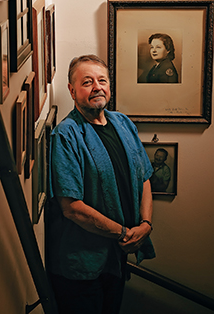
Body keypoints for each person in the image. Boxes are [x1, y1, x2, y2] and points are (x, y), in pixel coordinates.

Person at [46, 55, 155, 314]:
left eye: (101, 80)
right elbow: (71, 207)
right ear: (72, 91)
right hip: (81, 265)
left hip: (118, 257)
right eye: (87, 82)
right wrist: (124, 233)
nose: (97, 87)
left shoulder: (122, 123)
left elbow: (144, 177)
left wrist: (146, 224)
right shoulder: (67, 134)